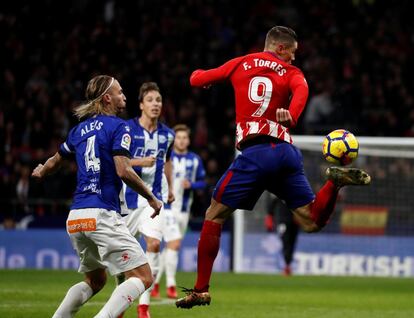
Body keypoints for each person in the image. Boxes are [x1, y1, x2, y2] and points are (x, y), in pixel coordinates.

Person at [176, 25, 371, 309]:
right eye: (292, 53)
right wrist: (292, 115)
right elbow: (302, 90)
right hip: (286, 152)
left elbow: (195, 79)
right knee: (311, 221)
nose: (293, 59)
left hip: (256, 153)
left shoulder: (241, 63)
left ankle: (201, 289)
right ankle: (334, 183)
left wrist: (205, 80)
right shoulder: (292, 73)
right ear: (280, 48)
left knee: (214, 214)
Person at [31, 75, 162, 318]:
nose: (124, 95)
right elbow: (123, 170)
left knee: (96, 279)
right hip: (101, 214)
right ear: (107, 98)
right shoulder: (119, 126)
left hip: (77, 218)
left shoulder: (78, 130)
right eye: (120, 92)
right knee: (143, 276)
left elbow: (55, 160)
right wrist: (151, 197)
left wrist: (42, 170)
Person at [117, 82, 179, 318]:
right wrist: (138, 163)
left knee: (153, 244)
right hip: (128, 200)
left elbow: (168, 161)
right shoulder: (126, 130)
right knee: (122, 258)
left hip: (155, 199)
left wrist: (171, 188)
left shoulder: (168, 135)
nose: (156, 104)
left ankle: (144, 307)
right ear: (141, 105)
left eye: (159, 100)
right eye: (151, 100)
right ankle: (120, 303)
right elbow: (116, 162)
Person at [151, 124, 207, 299]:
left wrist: (192, 185)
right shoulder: (167, 158)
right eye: (179, 137)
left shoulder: (195, 159)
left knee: (171, 247)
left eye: (184, 137)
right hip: (167, 208)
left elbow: (203, 182)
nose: (181, 140)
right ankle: (171, 285)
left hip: (183, 211)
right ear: (174, 140)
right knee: (173, 245)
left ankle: (155, 283)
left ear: (188, 140)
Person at [264, 192, 299, 276]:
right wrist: (269, 219)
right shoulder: (279, 192)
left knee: (292, 243)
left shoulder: (296, 191)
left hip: (295, 222)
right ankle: (286, 265)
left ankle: (288, 264)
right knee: (285, 242)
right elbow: (270, 208)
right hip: (283, 223)